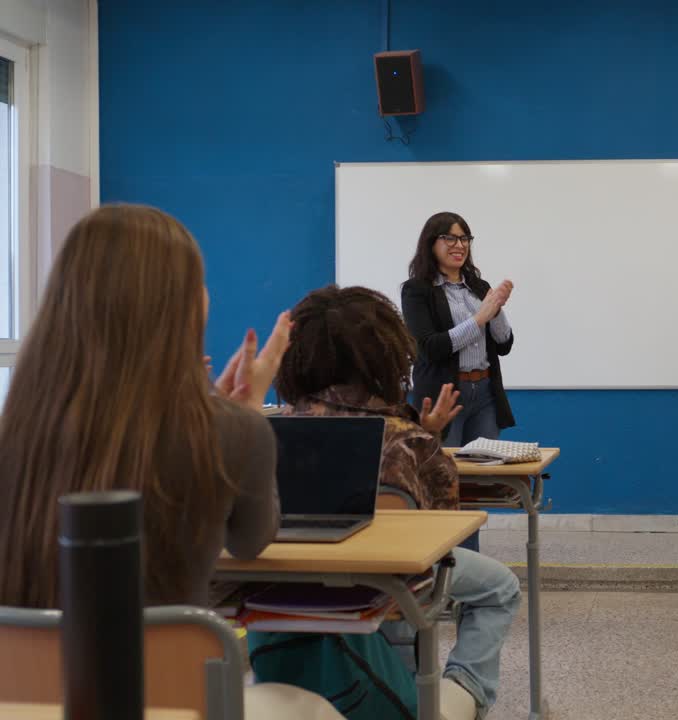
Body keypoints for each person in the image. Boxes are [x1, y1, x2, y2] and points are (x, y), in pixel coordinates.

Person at [0, 204, 341, 719]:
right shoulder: (232, 430)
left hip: (22, 705)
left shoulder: (15, 431)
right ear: (180, 306)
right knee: (309, 707)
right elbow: (251, 541)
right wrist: (242, 418)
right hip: (169, 704)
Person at [273, 284, 521, 720]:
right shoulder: (405, 440)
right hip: (388, 608)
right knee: (499, 587)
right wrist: (428, 437)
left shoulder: (272, 431)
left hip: (285, 608)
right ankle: (464, 692)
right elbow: (435, 544)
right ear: (385, 356)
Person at [402, 211, 516, 448]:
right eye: (450, 238)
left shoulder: (478, 286)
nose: (459, 245)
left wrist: (496, 310)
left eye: (465, 239)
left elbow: (504, 344)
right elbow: (430, 347)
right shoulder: (417, 290)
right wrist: (478, 319)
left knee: (482, 475)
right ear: (431, 243)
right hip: (444, 395)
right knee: (444, 472)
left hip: (485, 393)